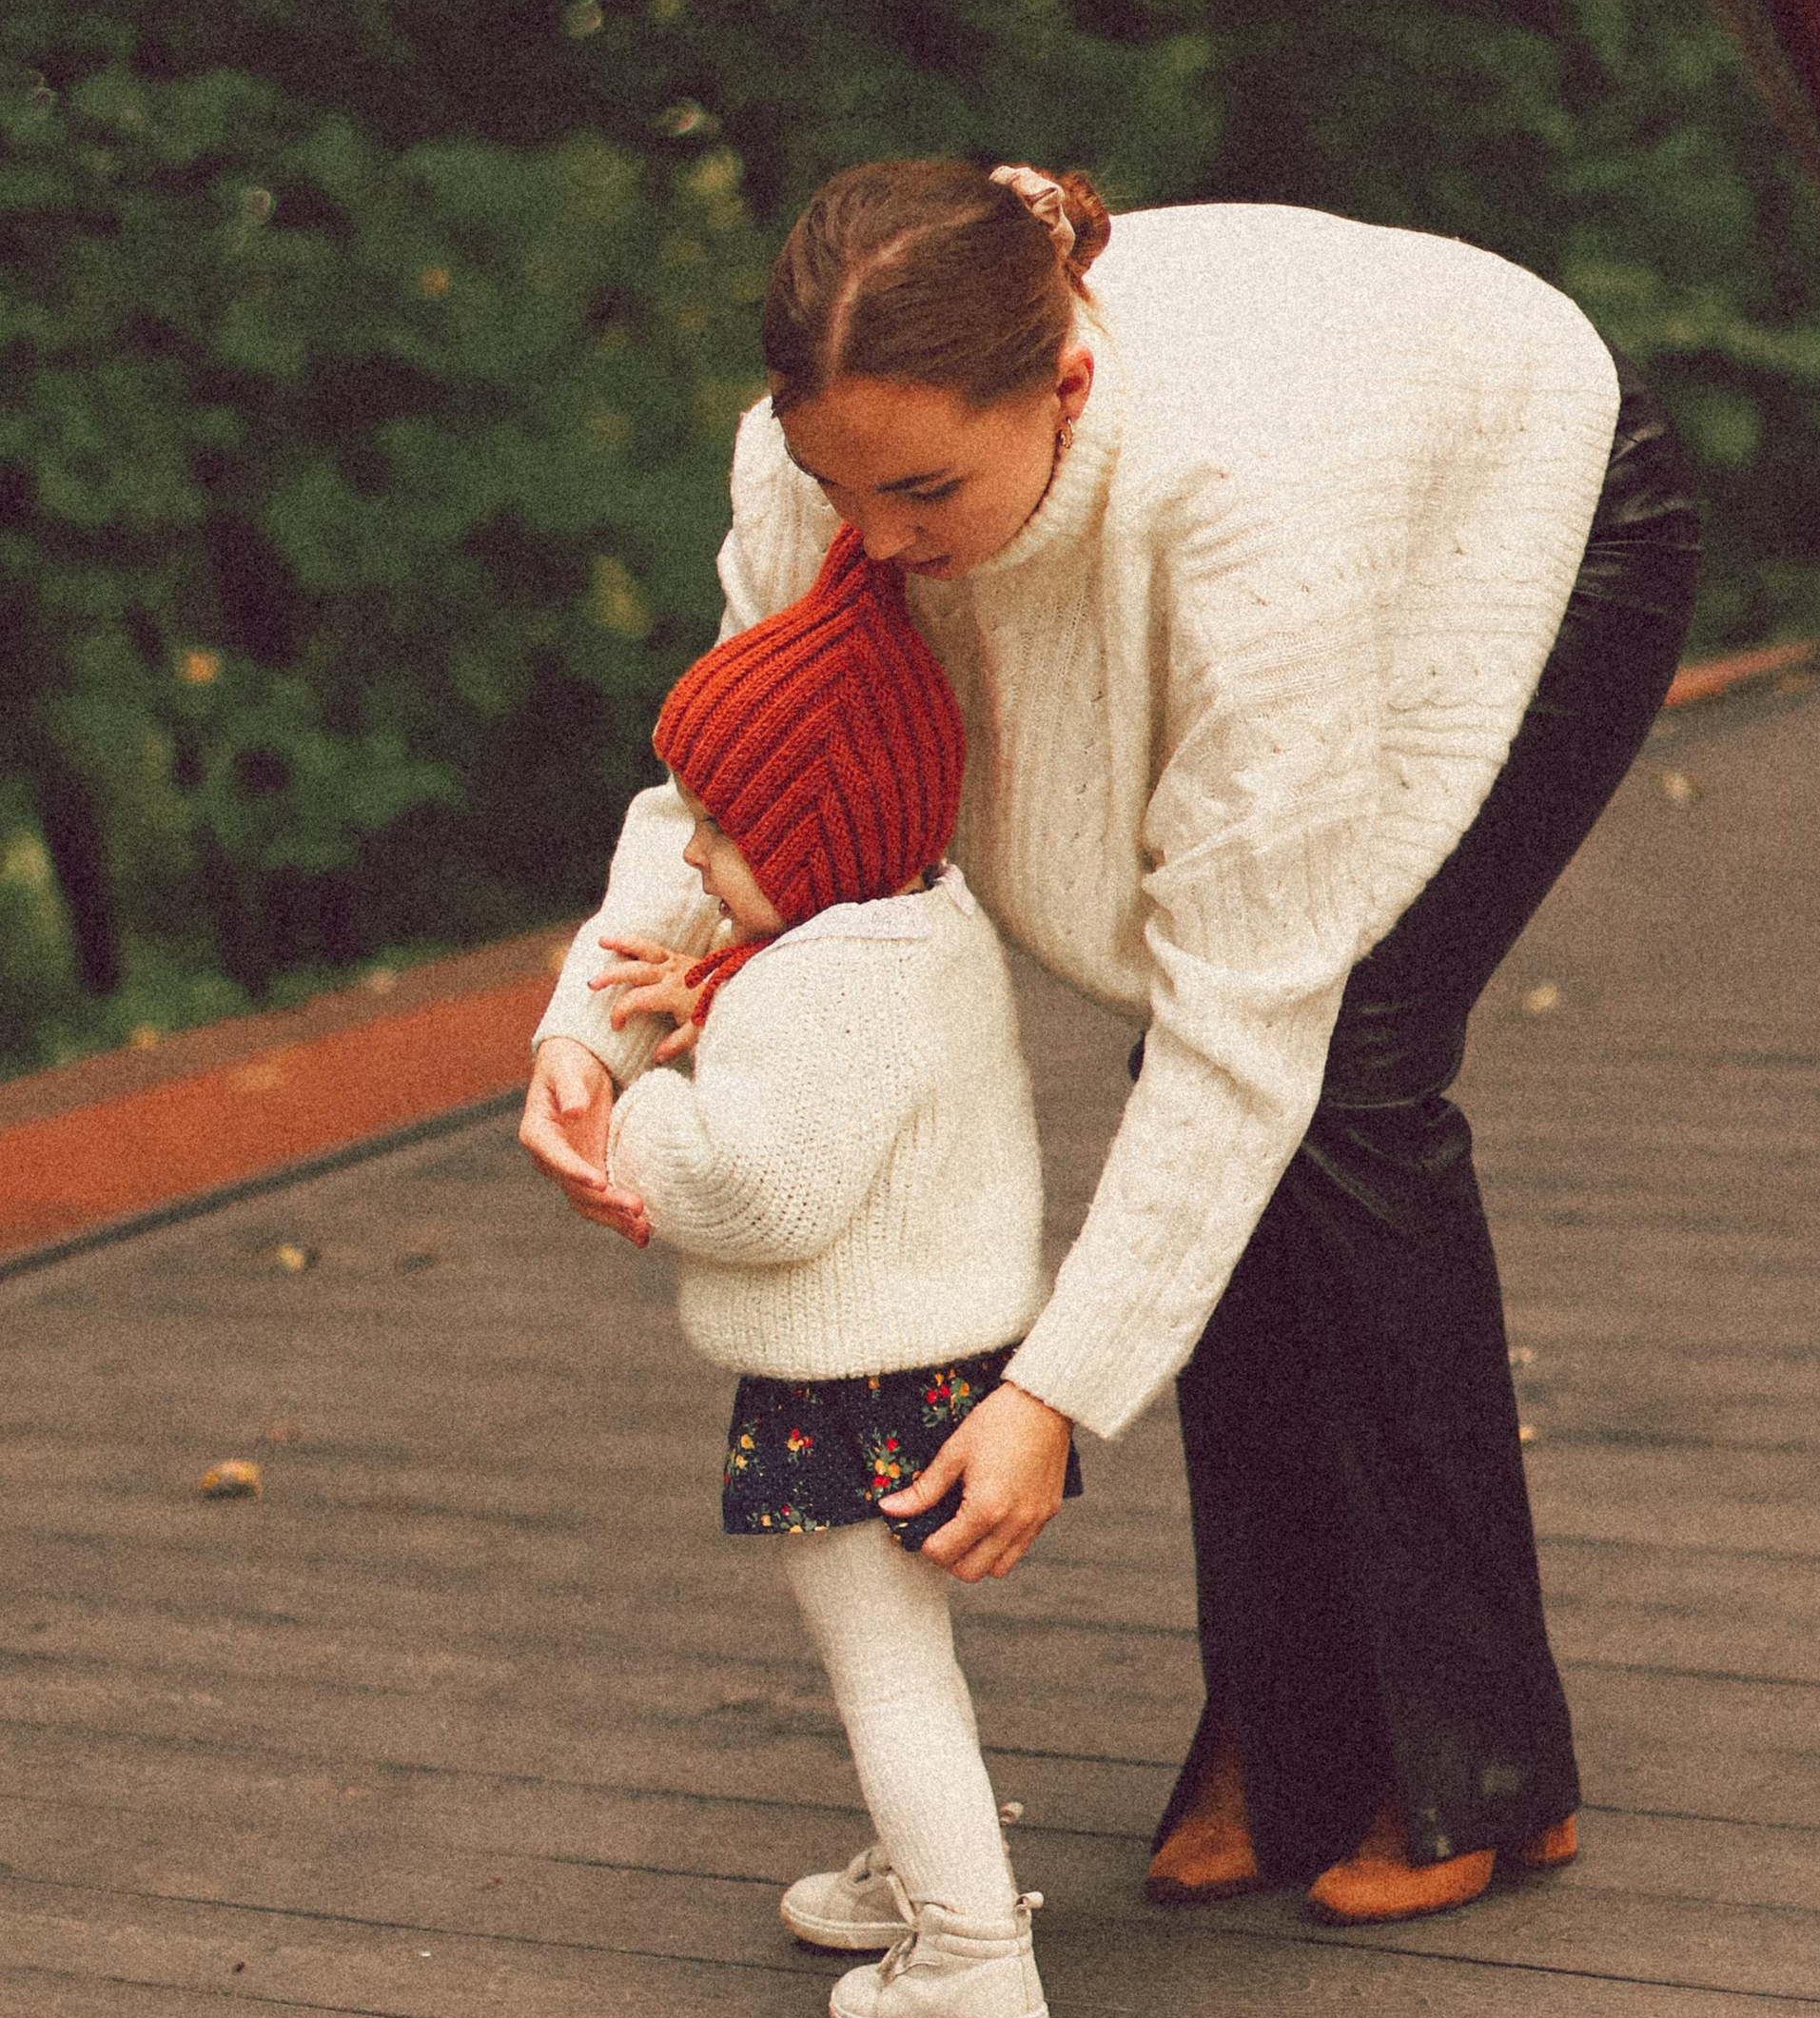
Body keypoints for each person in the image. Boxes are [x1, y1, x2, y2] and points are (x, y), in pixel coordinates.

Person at [526, 158, 1700, 1924]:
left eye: (925, 491)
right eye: (846, 491)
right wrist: (586, 1034)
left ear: (1065, 383)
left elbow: (1244, 1027)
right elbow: (730, 771)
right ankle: (1294, 1722)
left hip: (1532, 513)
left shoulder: (1248, 512)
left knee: (1349, 1073)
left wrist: (1054, 1397)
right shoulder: (829, 474)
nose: (885, 545)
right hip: (1313, 493)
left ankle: (1478, 1757)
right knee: (1247, 1094)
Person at [592, 519, 1067, 2018]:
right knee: (905, 1651)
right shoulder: (900, 928)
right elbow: (812, 1064)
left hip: (855, 1380)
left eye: (721, 833)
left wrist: (651, 1095)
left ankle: (972, 1955)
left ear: (812, 843)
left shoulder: (827, 983)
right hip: (940, 1361)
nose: (690, 858)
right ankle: (915, 1870)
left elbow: (756, 1189)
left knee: (885, 1667)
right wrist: (713, 1003)